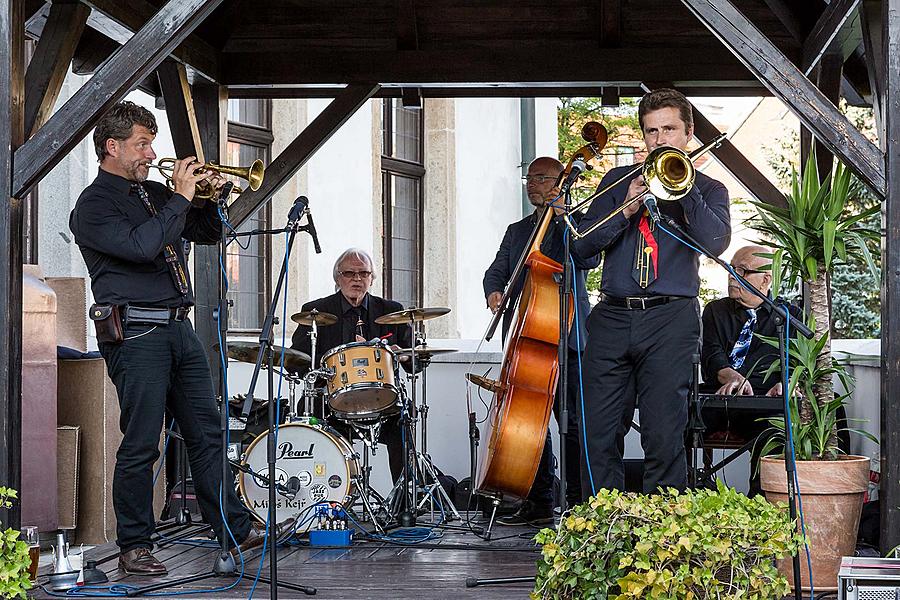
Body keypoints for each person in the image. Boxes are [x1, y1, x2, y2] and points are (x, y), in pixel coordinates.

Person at [69, 101, 279, 576]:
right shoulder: (94, 205)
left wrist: (209, 198)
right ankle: (134, 545)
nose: (150, 153)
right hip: (136, 332)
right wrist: (182, 196)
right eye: (142, 145)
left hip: (177, 328)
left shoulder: (156, 194)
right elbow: (142, 247)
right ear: (112, 147)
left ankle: (233, 527)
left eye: (151, 144)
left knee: (208, 433)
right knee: (142, 441)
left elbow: (206, 233)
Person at [573, 88, 731, 494]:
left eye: (669, 130)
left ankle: (660, 538)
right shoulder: (616, 181)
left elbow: (715, 243)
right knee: (599, 434)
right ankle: (599, 528)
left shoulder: (711, 189)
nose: (659, 139)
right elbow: (582, 247)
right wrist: (624, 209)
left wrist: (684, 189)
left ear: (688, 133)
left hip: (671, 318)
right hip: (612, 315)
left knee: (663, 435)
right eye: (651, 131)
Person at [482, 157, 601, 525]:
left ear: (559, 183)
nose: (532, 184)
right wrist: (494, 292)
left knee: (574, 425)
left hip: (567, 338)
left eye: (540, 178)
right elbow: (496, 270)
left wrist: (563, 217)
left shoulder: (576, 223)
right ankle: (538, 503)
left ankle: (581, 505)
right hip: (528, 337)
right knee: (529, 427)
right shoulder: (517, 230)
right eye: (528, 178)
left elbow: (589, 260)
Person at [291, 248, 412, 484]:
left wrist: (404, 356)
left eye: (363, 273)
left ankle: (403, 501)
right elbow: (298, 361)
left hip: (381, 400)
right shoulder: (315, 311)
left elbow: (416, 361)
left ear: (371, 278)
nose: (357, 279)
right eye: (349, 273)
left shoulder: (391, 310)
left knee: (404, 418)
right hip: (331, 401)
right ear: (337, 278)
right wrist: (322, 373)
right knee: (307, 413)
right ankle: (325, 497)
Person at [699, 245, 800, 495]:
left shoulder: (788, 316)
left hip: (765, 402)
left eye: (742, 270)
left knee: (774, 431)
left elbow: (799, 364)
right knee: (676, 417)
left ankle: (760, 507)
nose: (733, 275)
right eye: (731, 269)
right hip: (723, 397)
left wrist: (786, 382)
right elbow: (712, 357)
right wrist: (732, 376)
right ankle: (682, 495)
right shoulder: (715, 311)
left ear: (766, 279)